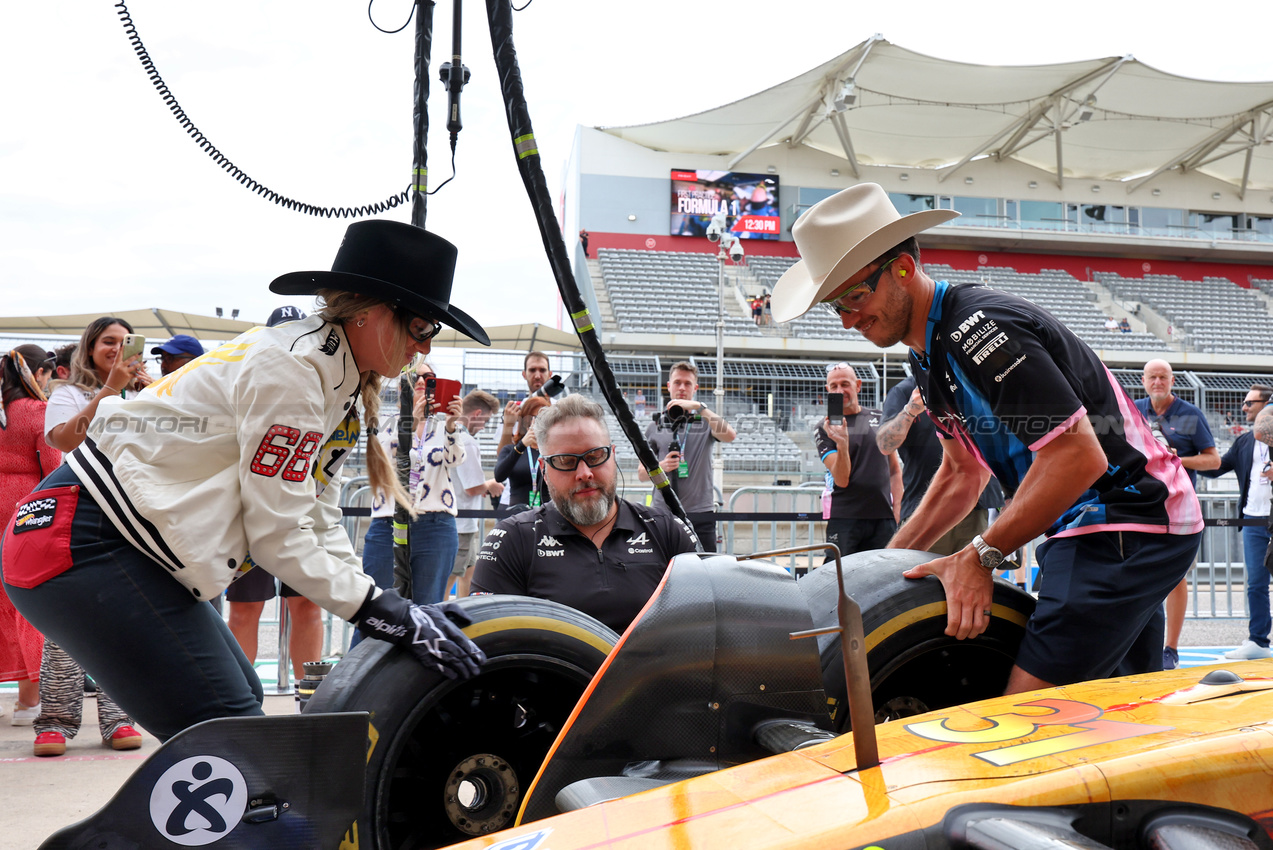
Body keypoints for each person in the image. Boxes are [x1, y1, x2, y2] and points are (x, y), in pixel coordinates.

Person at [2, 220, 489, 743]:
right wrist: (382, 611)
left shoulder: (331, 373)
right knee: (236, 736)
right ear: (368, 312)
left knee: (242, 703)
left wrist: (382, 608)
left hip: (96, 536)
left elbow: (316, 516)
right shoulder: (295, 368)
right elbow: (275, 534)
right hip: (81, 540)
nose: (424, 350)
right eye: (421, 329)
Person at [769, 182, 1202, 693]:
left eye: (855, 296)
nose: (847, 321)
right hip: (1105, 524)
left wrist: (981, 556)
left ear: (903, 269)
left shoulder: (979, 331)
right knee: (1121, 707)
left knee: (1024, 713)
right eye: (833, 306)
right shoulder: (927, 354)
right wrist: (882, 569)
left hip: (1127, 520)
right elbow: (961, 475)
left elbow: (1076, 458)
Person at [472, 395, 699, 634]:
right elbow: (485, 643)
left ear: (612, 455)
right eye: (565, 461)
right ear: (544, 470)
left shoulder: (666, 530)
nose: (584, 473)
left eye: (595, 456)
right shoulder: (512, 540)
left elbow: (705, 626)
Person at [34, 318, 149, 756]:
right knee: (64, 617)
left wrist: (148, 392)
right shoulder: (68, 394)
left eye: (125, 342)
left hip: (134, 519)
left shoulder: (147, 394)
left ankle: (120, 717)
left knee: (127, 619)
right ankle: (57, 722)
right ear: (90, 346)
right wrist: (108, 392)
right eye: (108, 341)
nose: (117, 348)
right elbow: (65, 439)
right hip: (78, 515)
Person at [223, 308, 323, 674]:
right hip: (251, 513)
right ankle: (241, 706)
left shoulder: (324, 380)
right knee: (246, 609)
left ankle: (308, 701)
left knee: (308, 606)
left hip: (303, 514)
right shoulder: (247, 377)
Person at [1135, 358, 1219, 670]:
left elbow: (1213, 460)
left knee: (1175, 576)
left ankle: (1170, 648)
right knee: (1138, 574)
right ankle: (1138, 642)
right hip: (1138, 505)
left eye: (1163, 377)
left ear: (1172, 381)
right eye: (1152, 377)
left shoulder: (1190, 414)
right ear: (1144, 381)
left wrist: (1177, 462)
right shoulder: (1132, 409)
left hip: (1178, 506)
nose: (1157, 382)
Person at [875, 373, 1003, 555]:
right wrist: (910, 410)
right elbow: (884, 445)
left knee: (970, 578)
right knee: (919, 578)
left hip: (977, 505)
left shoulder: (970, 380)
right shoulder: (904, 390)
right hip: (926, 506)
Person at [0, 347, 59, 728]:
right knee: (27, 603)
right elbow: (54, 469)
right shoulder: (38, 413)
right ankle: (29, 701)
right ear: (37, 373)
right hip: (24, 515)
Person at [1199, 384, 1273, 660]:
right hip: (1254, 520)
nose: (1244, 408)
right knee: (1255, 583)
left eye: (1250, 403)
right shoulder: (1244, 441)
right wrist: (1181, 459)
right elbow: (1217, 467)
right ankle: (1258, 642)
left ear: (1267, 406)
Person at [637, 361, 736, 551]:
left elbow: (730, 435)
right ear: (668, 386)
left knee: (705, 570)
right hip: (663, 513)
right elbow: (641, 473)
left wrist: (700, 407)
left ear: (695, 388)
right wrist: (661, 466)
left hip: (700, 514)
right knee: (663, 568)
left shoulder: (705, 421)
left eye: (688, 383)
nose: (682, 388)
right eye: (677, 382)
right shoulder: (654, 425)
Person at [815, 362, 902, 558]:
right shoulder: (824, 427)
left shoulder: (880, 418)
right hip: (845, 518)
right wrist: (842, 442)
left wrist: (898, 510)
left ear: (858, 385)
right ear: (828, 390)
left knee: (883, 578)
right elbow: (841, 479)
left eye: (845, 384)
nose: (840, 390)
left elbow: (894, 470)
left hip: (883, 518)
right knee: (839, 578)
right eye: (834, 386)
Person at [449, 390, 502, 599]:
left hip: (461, 521)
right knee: (451, 578)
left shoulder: (456, 435)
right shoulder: (467, 441)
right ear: (477, 414)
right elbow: (472, 487)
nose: (484, 426)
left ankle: (461, 620)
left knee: (469, 576)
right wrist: (490, 485)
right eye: (485, 420)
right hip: (460, 523)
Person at [493, 395, 551, 509]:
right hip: (517, 513)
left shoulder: (554, 450)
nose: (538, 422)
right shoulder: (512, 449)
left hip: (547, 514)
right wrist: (522, 445)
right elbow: (499, 476)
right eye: (533, 417)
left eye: (543, 418)